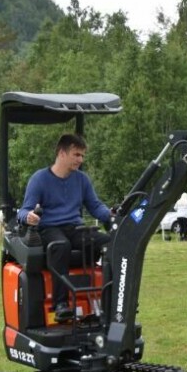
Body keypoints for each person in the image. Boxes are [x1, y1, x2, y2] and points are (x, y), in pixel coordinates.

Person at [18, 133, 112, 322]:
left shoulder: (82, 180)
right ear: (62, 153)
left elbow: (95, 206)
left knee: (110, 242)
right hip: (49, 229)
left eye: (82, 155)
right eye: (76, 155)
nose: (81, 160)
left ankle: (112, 300)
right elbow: (24, 211)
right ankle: (60, 304)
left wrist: (111, 215)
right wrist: (28, 217)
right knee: (61, 245)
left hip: (74, 228)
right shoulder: (39, 179)